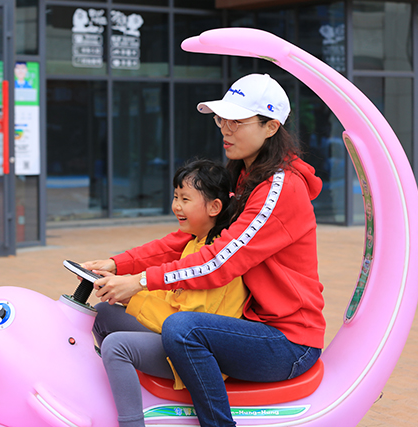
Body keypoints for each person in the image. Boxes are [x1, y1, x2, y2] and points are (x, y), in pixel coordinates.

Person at [84, 73, 325, 427]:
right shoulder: (244, 176)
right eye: (221, 119)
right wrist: (118, 264)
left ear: (271, 127)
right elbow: (190, 239)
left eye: (236, 121)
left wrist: (141, 281)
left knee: (183, 328)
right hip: (247, 325)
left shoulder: (280, 188)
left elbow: (220, 260)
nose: (225, 129)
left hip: (287, 342)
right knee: (105, 314)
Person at [88, 158, 249, 427]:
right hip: (176, 336)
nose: (176, 206)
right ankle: (126, 390)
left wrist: (131, 297)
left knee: (116, 346)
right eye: (175, 197)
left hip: (195, 354)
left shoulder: (213, 258)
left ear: (214, 207)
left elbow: (182, 327)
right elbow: (170, 299)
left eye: (185, 199)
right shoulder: (195, 243)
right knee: (103, 313)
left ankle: (131, 422)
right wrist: (125, 291)